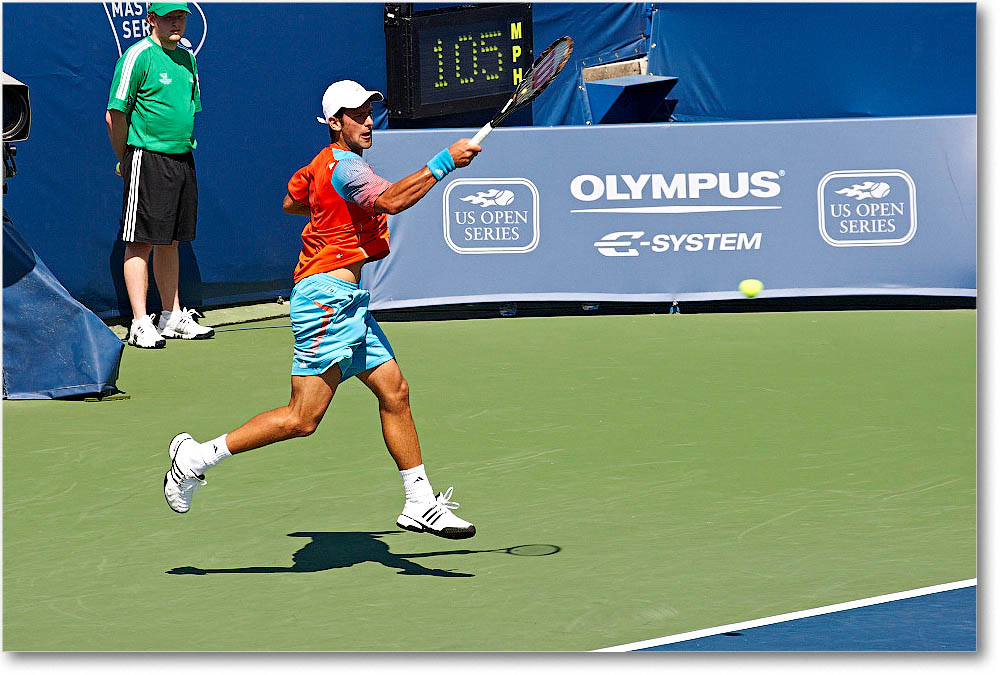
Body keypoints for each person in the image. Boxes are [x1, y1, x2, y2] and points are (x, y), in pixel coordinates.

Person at [163, 80, 482, 539]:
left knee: (395, 391)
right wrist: (445, 161)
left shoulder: (322, 164)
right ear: (335, 122)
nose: (368, 122)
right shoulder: (347, 167)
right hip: (325, 301)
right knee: (302, 418)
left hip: (348, 302)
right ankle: (195, 458)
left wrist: (331, 213)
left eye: (370, 112)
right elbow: (392, 200)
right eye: (357, 115)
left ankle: (420, 503)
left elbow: (293, 200)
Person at [106, 2, 213, 348]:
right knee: (141, 240)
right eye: (169, 17)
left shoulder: (188, 59)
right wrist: (125, 158)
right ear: (151, 19)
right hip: (146, 156)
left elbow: (188, 110)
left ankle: (171, 315)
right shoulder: (138, 56)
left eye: (181, 17)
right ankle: (139, 323)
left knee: (171, 240)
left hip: (182, 158)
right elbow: (115, 114)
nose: (176, 23)